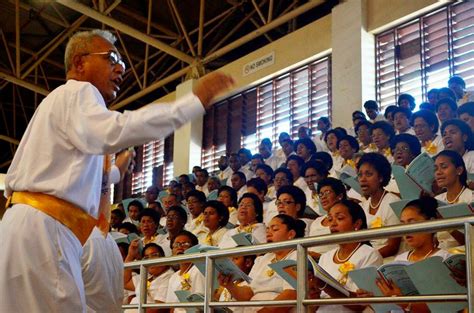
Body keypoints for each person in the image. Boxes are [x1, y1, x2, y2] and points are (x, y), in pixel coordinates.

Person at [0, 29, 233, 312]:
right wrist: (193, 102)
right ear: (79, 63)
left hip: (23, 228)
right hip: (47, 230)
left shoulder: (57, 104)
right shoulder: (79, 91)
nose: (121, 68)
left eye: (121, 61)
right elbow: (117, 129)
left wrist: (115, 174)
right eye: (111, 58)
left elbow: (66, 175)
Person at [373, 197, 453, 313]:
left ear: (431, 223)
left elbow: (446, 307)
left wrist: (404, 302)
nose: (406, 229)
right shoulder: (399, 260)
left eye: (412, 223)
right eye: (403, 224)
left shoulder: (444, 259)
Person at [218, 214, 304, 313]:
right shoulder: (263, 259)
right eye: (267, 230)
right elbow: (248, 293)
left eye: (274, 229)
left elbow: (291, 295)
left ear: (291, 234)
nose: (268, 233)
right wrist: (229, 285)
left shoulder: (297, 256)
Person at [309, 200, 383, 313]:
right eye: (330, 219)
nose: (333, 224)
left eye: (339, 218)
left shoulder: (369, 254)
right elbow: (315, 305)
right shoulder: (325, 257)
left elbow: (361, 305)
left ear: (357, 224)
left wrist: (325, 286)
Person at [357, 153, 401, 258]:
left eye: (368, 174)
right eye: (360, 174)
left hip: (389, 260)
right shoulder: (364, 205)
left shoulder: (392, 202)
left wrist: (368, 259)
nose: (362, 179)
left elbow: (393, 247)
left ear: (381, 177)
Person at [434, 150, 471, 248]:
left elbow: (471, 242)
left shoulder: (471, 198)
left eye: (444, 167)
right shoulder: (437, 200)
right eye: (436, 168)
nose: (438, 172)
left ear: (459, 170)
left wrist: (447, 225)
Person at [124, 242, 174, 313]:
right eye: (146, 257)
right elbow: (125, 283)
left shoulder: (169, 276)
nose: (150, 259)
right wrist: (130, 255)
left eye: (154, 255)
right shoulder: (148, 275)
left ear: (163, 257)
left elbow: (159, 309)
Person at [165, 231, 205, 313]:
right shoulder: (173, 277)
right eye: (176, 245)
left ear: (195, 249)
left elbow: (201, 307)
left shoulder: (198, 271)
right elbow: (172, 308)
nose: (180, 247)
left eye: (185, 244)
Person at [308, 178, 347, 260]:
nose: (323, 197)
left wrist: (320, 257)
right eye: (321, 194)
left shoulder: (346, 218)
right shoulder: (316, 221)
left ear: (340, 196)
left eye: (327, 192)